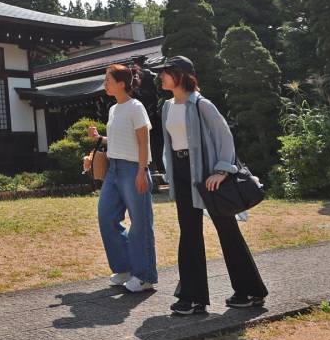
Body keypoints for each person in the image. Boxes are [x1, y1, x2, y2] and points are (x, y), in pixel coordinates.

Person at [150, 55, 268, 315]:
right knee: (189, 233)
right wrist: (170, 174)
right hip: (183, 175)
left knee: (227, 230)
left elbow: (225, 136)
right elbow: (171, 144)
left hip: (209, 175)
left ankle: (250, 292)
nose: (161, 76)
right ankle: (193, 298)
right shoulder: (167, 107)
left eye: (166, 72)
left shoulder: (202, 104)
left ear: (181, 74)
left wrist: (222, 171)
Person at [84, 63, 157, 293]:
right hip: (114, 169)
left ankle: (144, 276)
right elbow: (118, 139)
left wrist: (142, 171)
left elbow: (143, 142)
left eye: (107, 79)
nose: (104, 83)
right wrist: (99, 139)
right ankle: (124, 268)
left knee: (140, 223)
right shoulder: (114, 109)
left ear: (121, 83)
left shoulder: (136, 107)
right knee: (106, 217)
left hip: (133, 168)